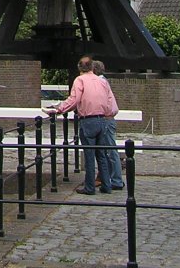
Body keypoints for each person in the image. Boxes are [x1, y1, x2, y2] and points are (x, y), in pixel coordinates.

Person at [47, 55, 117, 195]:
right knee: (102, 155)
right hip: (103, 120)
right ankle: (107, 186)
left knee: (89, 155)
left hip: (88, 120)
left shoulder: (80, 80)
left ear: (80, 68)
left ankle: (90, 187)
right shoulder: (102, 81)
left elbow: (74, 100)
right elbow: (109, 102)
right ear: (92, 67)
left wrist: (60, 109)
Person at [92, 59, 124, 189]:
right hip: (107, 118)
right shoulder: (103, 81)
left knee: (110, 150)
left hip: (106, 119)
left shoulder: (100, 82)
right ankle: (109, 178)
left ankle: (116, 180)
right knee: (107, 150)